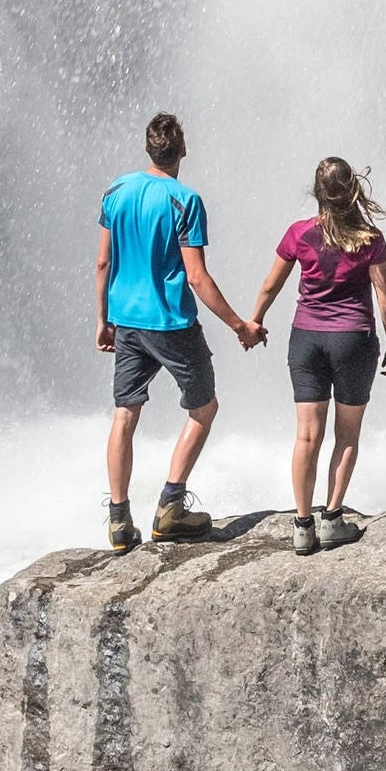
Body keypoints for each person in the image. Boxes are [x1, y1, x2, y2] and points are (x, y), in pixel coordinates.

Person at [96, 112, 267, 553]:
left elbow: (102, 262)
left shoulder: (116, 191)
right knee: (204, 407)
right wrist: (239, 326)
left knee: (125, 414)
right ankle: (170, 506)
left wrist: (103, 319)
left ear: (147, 148)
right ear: (183, 150)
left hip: (128, 321)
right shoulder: (184, 200)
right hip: (171, 323)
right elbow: (197, 277)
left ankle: (118, 520)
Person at [250, 157, 386, 556]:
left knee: (306, 436)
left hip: (307, 340)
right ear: (353, 190)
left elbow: (270, 285)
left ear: (317, 193)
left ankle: (302, 526)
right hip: (353, 340)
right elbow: (385, 301)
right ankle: (332, 519)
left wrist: (254, 321)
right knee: (346, 435)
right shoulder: (369, 238)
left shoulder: (300, 234)